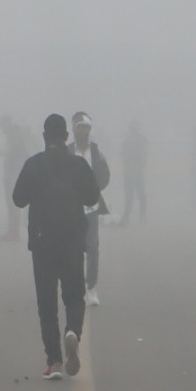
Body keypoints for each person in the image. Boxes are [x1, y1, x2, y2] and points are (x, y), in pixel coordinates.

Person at [12, 114, 100, 380]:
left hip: (42, 243)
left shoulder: (33, 165)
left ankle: (54, 362)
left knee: (47, 302)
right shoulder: (78, 164)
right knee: (74, 295)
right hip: (73, 241)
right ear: (65, 137)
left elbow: (18, 199)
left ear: (43, 137)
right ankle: (72, 331)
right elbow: (92, 196)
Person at [71, 112, 111, 305]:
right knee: (73, 249)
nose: (83, 130)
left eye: (86, 126)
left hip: (91, 208)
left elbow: (104, 175)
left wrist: (93, 191)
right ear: (73, 129)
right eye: (79, 126)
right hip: (70, 209)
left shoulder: (96, 152)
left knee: (92, 247)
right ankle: (76, 286)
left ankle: (91, 287)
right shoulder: (67, 151)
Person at [120, 122, 148, 225]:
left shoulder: (128, 141)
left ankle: (131, 216)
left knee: (133, 195)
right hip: (133, 172)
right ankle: (138, 216)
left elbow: (123, 156)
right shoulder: (140, 140)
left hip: (132, 172)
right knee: (137, 195)